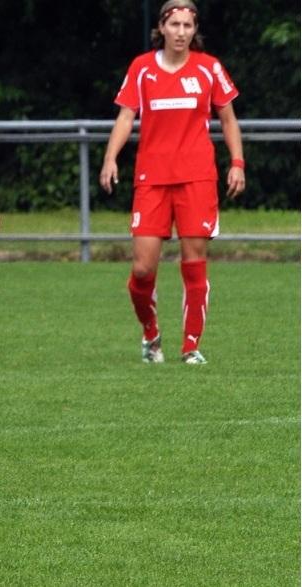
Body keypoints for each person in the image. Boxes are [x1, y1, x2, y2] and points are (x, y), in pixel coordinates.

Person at [98, 0, 245, 365]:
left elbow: (228, 119)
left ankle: (190, 345)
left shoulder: (209, 68)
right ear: (161, 27)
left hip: (197, 177)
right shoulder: (142, 68)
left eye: (187, 25)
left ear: (195, 30)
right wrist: (109, 158)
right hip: (152, 179)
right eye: (174, 24)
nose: (181, 32)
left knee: (194, 261)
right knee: (143, 268)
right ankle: (151, 335)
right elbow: (126, 115)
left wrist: (237, 163)